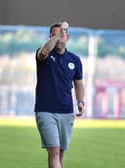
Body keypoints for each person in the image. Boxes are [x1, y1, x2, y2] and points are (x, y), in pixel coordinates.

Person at [34, 21, 85, 168]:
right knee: (54, 152)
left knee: (61, 153)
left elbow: (79, 83)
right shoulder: (44, 53)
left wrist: (80, 101)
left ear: (67, 37)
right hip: (46, 111)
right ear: (50, 37)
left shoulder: (75, 60)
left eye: (61, 35)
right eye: (53, 35)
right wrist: (57, 36)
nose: (57, 38)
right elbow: (43, 53)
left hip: (67, 111)